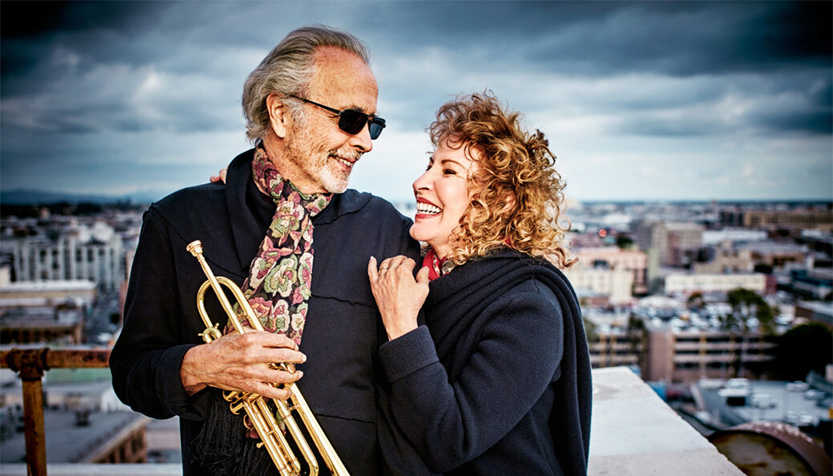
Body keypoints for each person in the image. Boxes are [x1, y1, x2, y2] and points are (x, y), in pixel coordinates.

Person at [109, 25, 418, 476]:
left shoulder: (385, 228)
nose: (366, 142)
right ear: (281, 114)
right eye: (350, 120)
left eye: (374, 125)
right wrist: (199, 366)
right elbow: (131, 374)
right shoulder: (179, 221)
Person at [367, 92, 592, 475]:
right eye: (430, 165)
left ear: (501, 201)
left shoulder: (530, 307)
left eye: (448, 171)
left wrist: (402, 327)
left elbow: (450, 439)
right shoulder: (422, 272)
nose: (420, 181)